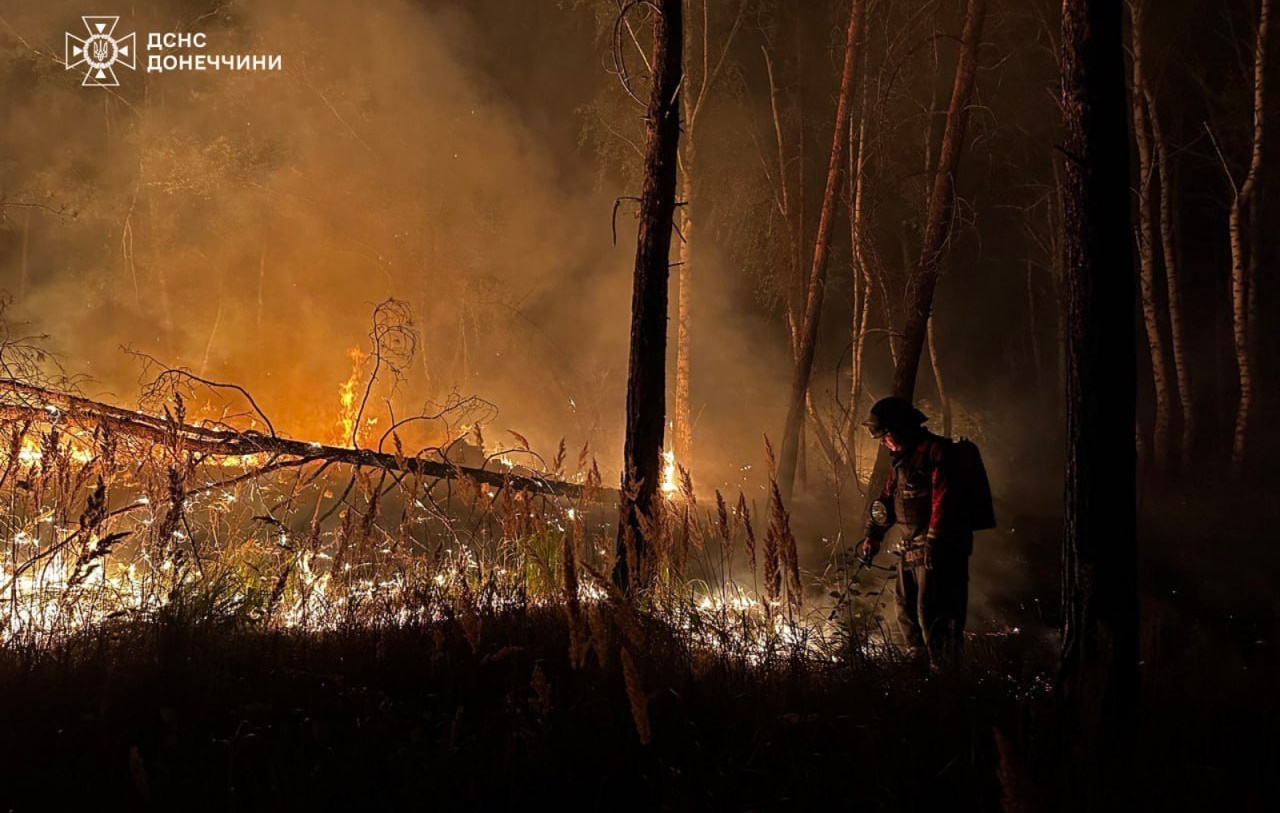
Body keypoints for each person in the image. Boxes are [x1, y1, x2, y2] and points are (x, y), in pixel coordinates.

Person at [856, 396, 972, 665]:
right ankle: (918, 665)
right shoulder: (901, 461)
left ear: (901, 428)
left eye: (885, 435)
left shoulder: (937, 453)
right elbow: (887, 499)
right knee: (905, 611)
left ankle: (943, 673)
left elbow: (944, 500)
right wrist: (874, 534)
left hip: (936, 552)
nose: (883, 442)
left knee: (933, 613)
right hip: (910, 550)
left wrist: (935, 543)